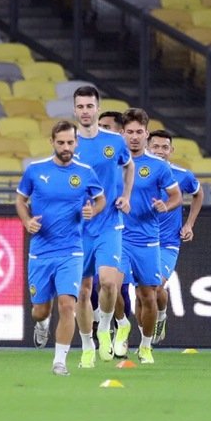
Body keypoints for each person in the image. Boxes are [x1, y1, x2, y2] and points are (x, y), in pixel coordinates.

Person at [17, 121, 106, 375]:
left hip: (71, 251)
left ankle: (59, 362)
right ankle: (42, 323)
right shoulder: (35, 171)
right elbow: (21, 200)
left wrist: (93, 211)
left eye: (70, 142)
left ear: (76, 143)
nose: (66, 147)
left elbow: (101, 199)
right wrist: (27, 221)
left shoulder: (85, 172)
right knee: (40, 310)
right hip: (41, 251)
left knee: (67, 305)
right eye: (61, 142)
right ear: (52, 142)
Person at [70, 86, 132, 367]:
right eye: (80, 106)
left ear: (98, 108)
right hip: (78, 228)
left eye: (89, 106)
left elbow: (129, 166)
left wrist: (126, 195)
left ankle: (105, 326)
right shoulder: (68, 142)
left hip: (109, 223)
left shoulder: (115, 142)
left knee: (107, 282)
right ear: (74, 110)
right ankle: (87, 345)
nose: (85, 111)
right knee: (82, 290)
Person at [118, 109, 181, 364]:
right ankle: (122, 327)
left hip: (147, 240)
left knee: (147, 294)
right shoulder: (112, 163)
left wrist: (166, 205)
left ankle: (145, 346)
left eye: (139, 132)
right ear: (122, 133)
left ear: (146, 134)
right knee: (111, 285)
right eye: (129, 132)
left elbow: (176, 196)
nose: (134, 137)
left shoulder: (158, 166)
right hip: (118, 237)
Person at [146, 129, 202, 345]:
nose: (160, 151)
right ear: (147, 147)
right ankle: (154, 322)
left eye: (164, 147)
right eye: (155, 146)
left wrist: (189, 224)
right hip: (140, 241)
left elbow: (198, 194)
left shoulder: (182, 175)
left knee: (155, 287)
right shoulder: (137, 171)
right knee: (144, 292)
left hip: (167, 243)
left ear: (171, 150)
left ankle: (156, 323)